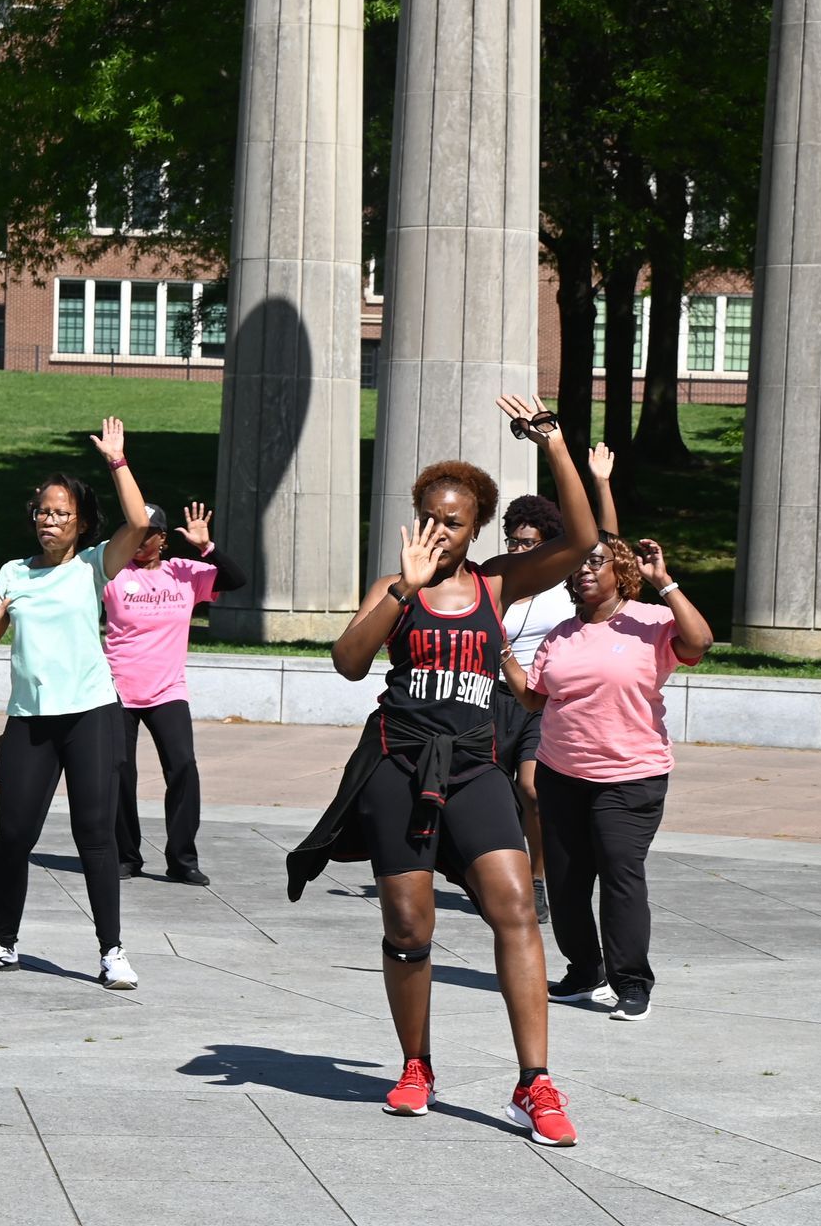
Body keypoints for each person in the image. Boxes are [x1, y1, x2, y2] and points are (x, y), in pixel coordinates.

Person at [286, 394, 597, 1148]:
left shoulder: (497, 584)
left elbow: (585, 539)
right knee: (407, 924)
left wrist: (554, 444)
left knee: (514, 906)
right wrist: (401, 588)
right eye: (430, 518)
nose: (440, 530)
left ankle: (535, 1082)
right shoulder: (396, 588)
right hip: (398, 766)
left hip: (473, 767)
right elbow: (348, 662)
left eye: (454, 521)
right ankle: (416, 1065)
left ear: (476, 527)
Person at [0, 419, 152, 989]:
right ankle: (3, 943)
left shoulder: (94, 564)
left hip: (91, 715)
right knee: (12, 836)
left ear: (81, 522)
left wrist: (117, 461)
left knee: (95, 835)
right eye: (42, 512)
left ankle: (112, 951)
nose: (49, 520)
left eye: (61, 513)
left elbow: (140, 523)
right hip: (29, 722)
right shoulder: (12, 573)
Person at [504, 534, 713, 1022]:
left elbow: (700, 641)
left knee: (621, 877)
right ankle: (585, 972)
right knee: (566, 882)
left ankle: (632, 983)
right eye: (577, 564)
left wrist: (665, 583)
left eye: (595, 562)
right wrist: (503, 655)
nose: (584, 570)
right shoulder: (560, 635)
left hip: (630, 776)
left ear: (620, 570)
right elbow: (533, 699)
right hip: (561, 773)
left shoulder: (651, 622)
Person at [491, 443, 622, 931]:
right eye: (513, 541)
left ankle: (538, 879)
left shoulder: (565, 580)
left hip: (540, 701)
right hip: (493, 697)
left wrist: (601, 483)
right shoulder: (500, 581)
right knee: (493, 795)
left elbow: (608, 544)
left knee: (532, 790)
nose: (518, 550)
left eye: (528, 543)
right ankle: (494, 873)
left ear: (547, 543)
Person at [105, 500, 247, 885]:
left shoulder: (184, 573)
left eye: (147, 532)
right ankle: (126, 857)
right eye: (133, 531)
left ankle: (182, 859)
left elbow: (236, 579)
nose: (139, 539)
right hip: (117, 689)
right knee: (120, 772)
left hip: (168, 690)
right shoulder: (112, 573)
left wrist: (207, 547)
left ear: (163, 539)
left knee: (183, 767)